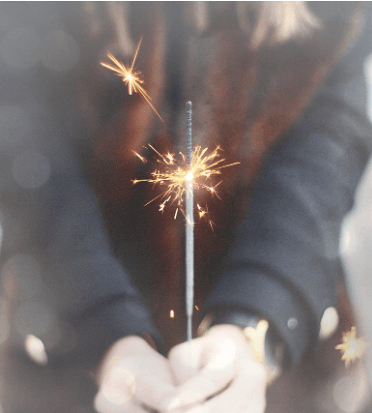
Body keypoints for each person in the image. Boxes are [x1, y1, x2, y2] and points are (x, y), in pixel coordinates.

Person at [0, 2, 371, 413]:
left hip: (289, 366)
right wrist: (104, 333)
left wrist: (252, 331)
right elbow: (22, 146)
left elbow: (327, 150)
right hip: (64, 355)